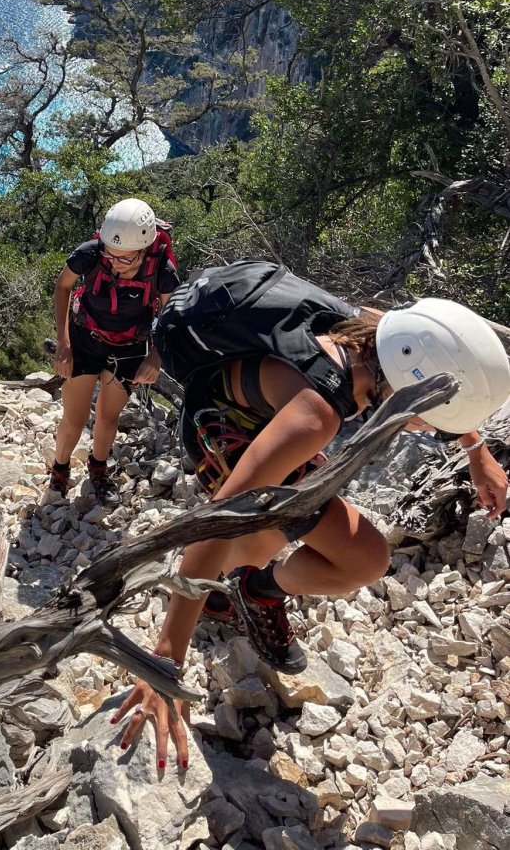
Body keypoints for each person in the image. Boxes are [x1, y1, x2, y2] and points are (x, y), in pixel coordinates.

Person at [111, 266, 510, 771]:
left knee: (365, 558)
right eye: (433, 412)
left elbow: (424, 364)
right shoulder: (318, 412)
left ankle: (256, 593)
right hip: (226, 429)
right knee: (252, 539)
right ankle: (218, 591)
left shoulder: (374, 333)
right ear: (410, 384)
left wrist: (477, 450)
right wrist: (163, 661)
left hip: (259, 417)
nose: (427, 426)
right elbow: (217, 518)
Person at [48, 198, 180, 507]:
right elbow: (62, 286)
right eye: (110, 254)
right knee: (75, 417)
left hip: (131, 347)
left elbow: (171, 314)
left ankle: (98, 470)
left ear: (145, 249)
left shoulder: (162, 270)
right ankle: (60, 469)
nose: (114, 263)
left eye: (124, 259)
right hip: (85, 338)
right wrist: (63, 343)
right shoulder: (93, 253)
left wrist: (155, 357)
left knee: (108, 417)